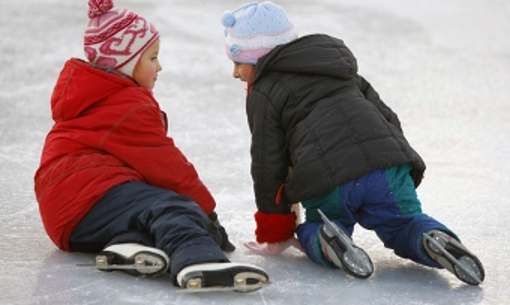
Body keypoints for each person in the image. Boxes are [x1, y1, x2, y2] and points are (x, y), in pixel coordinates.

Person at [219, 1, 485, 285]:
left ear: (260, 59)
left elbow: (267, 162)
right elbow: (387, 117)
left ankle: (327, 240)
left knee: (319, 226)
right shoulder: (339, 68)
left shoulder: (264, 92)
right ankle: (433, 239)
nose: (235, 73)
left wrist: (276, 231)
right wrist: (404, 165)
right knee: (405, 224)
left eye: (238, 63)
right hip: (387, 166)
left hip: (327, 179)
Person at [34, 0, 268, 292]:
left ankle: (127, 248)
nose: (160, 66)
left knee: (143, 213)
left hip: (66, 214)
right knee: (173, 207)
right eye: (152, 58)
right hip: (89, 193)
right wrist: (206, 213)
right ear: (124, 62)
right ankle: (200, 260)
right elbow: (167, 167)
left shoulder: (93, 97)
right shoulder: (127, 105)